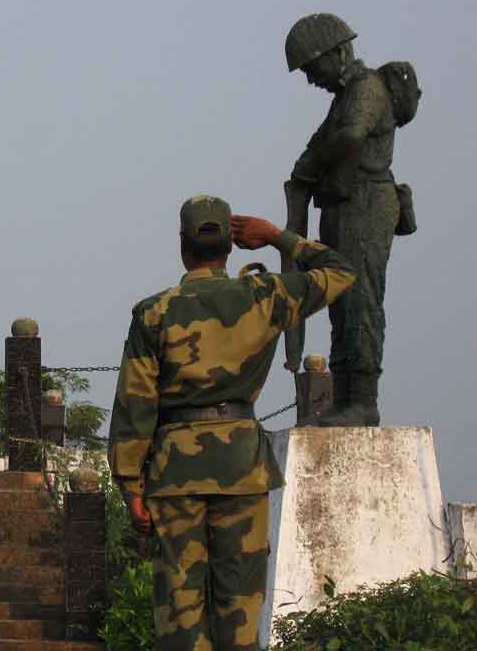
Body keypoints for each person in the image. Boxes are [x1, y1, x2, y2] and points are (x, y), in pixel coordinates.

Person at [108, 195, 355, 651]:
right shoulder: (267, 295)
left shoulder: (154, 312)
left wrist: (130, 485)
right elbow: (342, 270)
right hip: (241, 468)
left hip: (174, 474)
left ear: (183, 245)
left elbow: (135, 402)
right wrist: (277, 236)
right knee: (240, 611)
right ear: (230, 246)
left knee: (181, 617)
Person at [285, 13, 406, 426]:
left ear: (335, 53)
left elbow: (351, 136)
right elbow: (323, 143)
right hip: (342, 208)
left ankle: (363, 399)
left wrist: (310, 164)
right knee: (339, 300)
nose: (310, 78)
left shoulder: (366, 89)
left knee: (361, 301)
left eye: (311, 67)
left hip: (365, 206)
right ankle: (347, 396)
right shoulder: (345, 97)